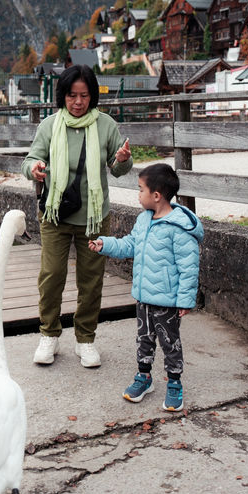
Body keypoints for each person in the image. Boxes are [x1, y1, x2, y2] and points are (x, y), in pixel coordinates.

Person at [22, 65, 132, 368]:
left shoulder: (106, 125)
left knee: (91, 279)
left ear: (92, 95)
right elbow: (30, 159)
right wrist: (34, 169)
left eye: (84, 95)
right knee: (52, 274)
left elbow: (119, 169)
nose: (78, 102)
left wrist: (123, 159)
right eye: (72, 95)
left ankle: (85, 339)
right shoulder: (49, 125)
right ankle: (49, 335)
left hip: (94, 218)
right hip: (55, 214)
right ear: (63, 96)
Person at [88, 163, 203, 411]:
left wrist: (185, 300)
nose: (138, 195)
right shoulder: (144, 220)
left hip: (167, 301)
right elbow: (130, 244)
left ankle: (174, 382)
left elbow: (189, 268)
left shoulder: (179, 228)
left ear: (156, 196)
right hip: (143, 298)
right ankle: (144, 376)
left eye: (140, 189)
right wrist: (105, 245)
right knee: (144, 340)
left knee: (170, 342)